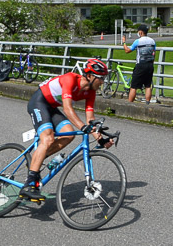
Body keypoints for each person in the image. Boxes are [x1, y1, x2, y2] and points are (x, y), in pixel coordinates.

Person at [18, 58, 113, 202]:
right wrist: (82, 127)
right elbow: (67, 109)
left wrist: (101, 139)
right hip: (39, 102)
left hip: (52, 108)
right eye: (100, 78)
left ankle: (37, 159)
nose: (102, 82)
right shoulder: (70, 79)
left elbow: (90, 120)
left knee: (69, 134)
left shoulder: (90, 92)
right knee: (48, 138)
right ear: (89, 76)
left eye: (104, 79)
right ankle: (29, 184)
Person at [120, 24, 158, 104]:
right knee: (148, 85)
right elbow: (154, 53)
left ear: (140, 32)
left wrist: (124, 42)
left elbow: (127, 50)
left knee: (133, 86)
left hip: (140, 65)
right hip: (150, 65)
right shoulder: (152, 41)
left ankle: (130, 104)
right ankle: (147, 103)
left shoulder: (138, 41)